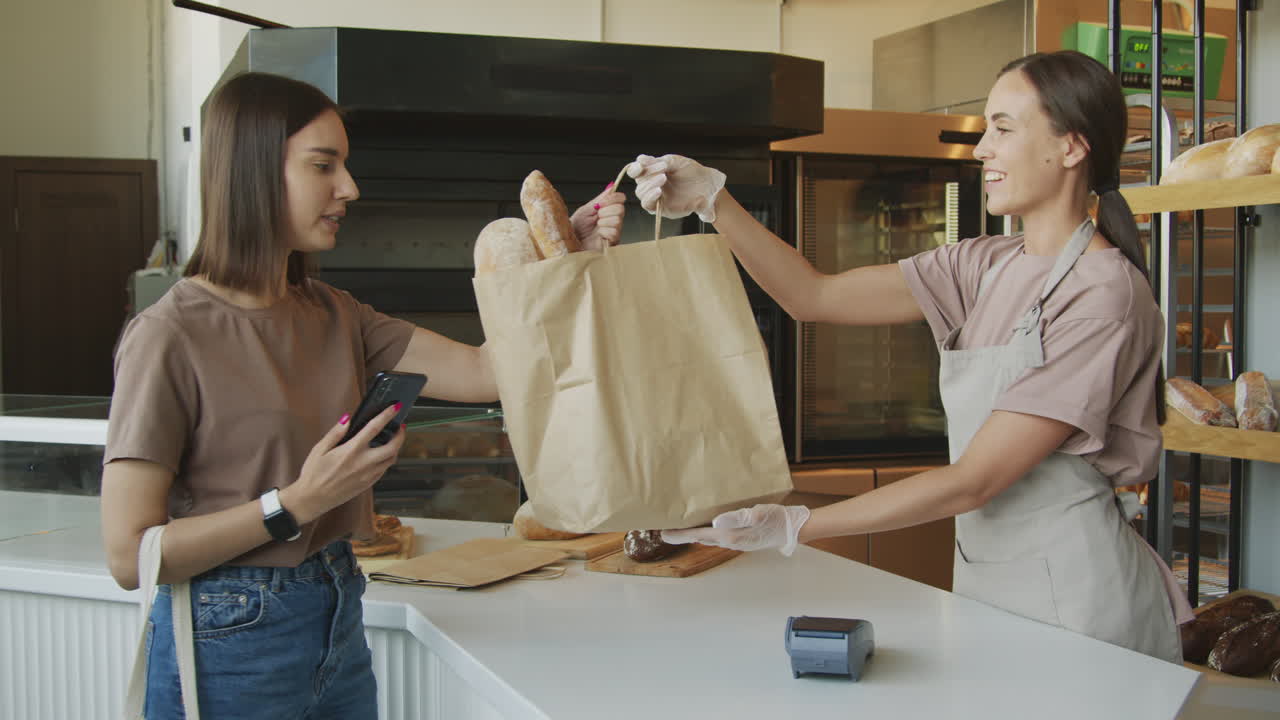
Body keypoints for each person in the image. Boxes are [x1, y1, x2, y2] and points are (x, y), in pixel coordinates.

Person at [100, 71, 625, 719]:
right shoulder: (167, 335)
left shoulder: (334, 313)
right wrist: (295, 503)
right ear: (252, 170)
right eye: (324, 165)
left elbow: (490, 371)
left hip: (337, 606)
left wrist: (561, 258)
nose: (349, 187)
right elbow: (130, 554)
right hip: (228, 632)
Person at [644, 50, 1193, 663]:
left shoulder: (1103, 291)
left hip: (1081, 599)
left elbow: (975, 481)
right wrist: (713, 201)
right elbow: (811, 295)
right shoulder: (982, 264)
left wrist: (795, 525)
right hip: (990, 580)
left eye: (1003, 129)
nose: (982, 149)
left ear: (1071, 148)